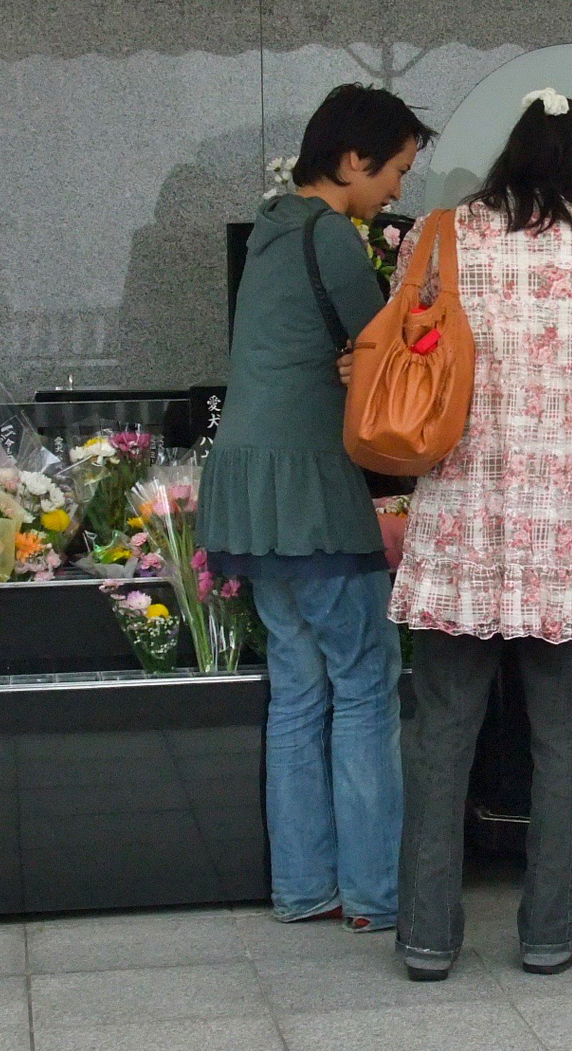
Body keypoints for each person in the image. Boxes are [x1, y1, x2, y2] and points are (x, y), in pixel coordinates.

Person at [391, 89, 572, 981]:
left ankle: (426, 936)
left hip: (458, 522)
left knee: (439, 736)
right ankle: (553, 930)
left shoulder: (440, 233)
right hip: (563, 527)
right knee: (562, 738)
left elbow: (408, 344)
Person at [198, 83, 435, 933]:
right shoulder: (333, 236)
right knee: (367, 686)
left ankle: (303, 888)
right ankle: (373, 892)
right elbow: (395, 351)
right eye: (397, 170)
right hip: (311, 492)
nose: (399, 190)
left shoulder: (270, 228)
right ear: (350, 160)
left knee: (296, 691)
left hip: (250, 494)